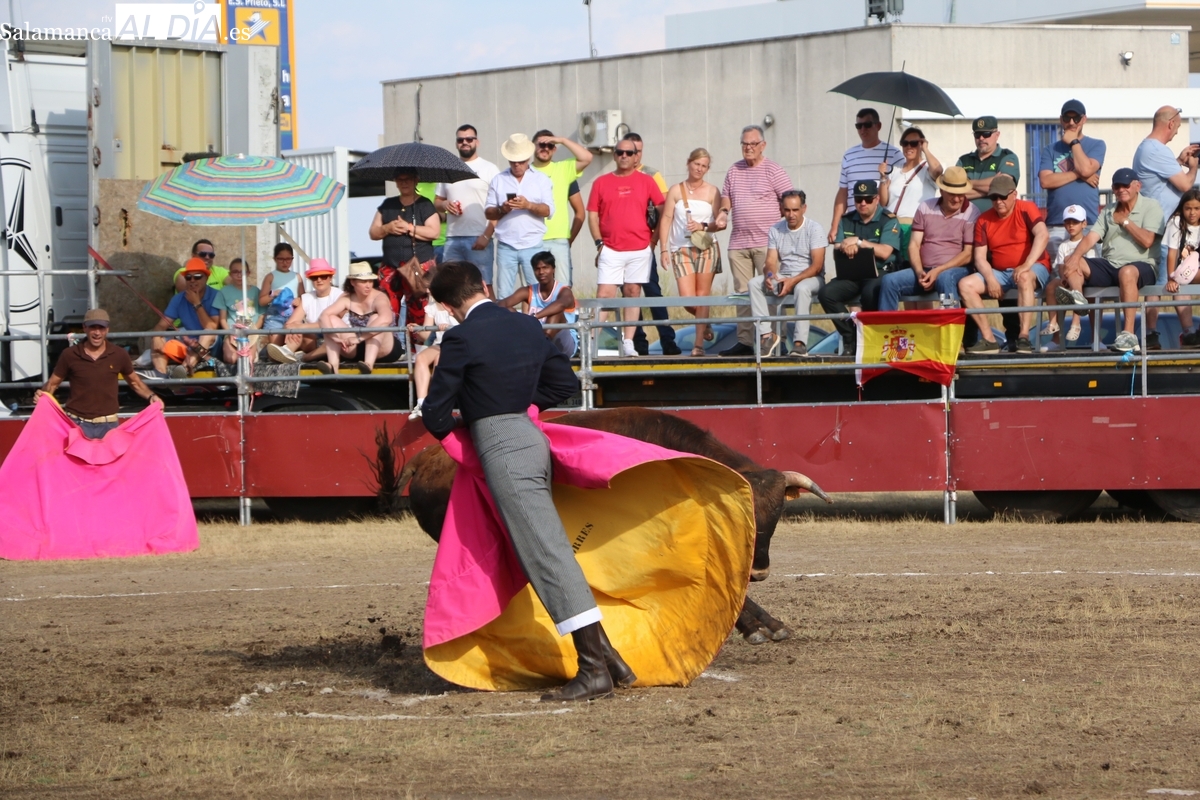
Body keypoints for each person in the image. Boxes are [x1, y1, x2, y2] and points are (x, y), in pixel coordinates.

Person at [421, 260, 631, 703]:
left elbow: (435, 413)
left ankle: (594, 670)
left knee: (545, 553)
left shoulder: (460, 337)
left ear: (447, 305)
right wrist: (511, 402)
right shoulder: (525, 324)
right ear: (483, 286)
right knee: (542, 548)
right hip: (531, 438)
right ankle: (611, 659)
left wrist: (480, 415)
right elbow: (562, 384)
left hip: (501, 448)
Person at [1058, 168, 1165, 354]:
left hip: (1143, 265)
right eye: (1117, 186)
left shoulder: (1151, 206)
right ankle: (1078, 299)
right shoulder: (1108, 210)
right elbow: (1091, 237)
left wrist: (1125, 221)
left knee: (1127, 272)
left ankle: (1128, 335)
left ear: (1137, 186)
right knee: (1071, 259)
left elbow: (1148, 241)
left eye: (1125, 185)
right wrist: (1074, 259)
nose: (1121, 189)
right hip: (1110, 264)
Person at [717, 125, 794, 356]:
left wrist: (781, 226)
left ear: (763, 145)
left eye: (752, 144)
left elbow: (790, 199)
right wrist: (723, 212)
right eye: (744, 144)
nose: (748, 148)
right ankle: (745, 341)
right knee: (742, 294)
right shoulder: (734, 170)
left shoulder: (773, 170)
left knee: (771, 291)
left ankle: (777, 340)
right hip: (738, 243)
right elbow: (726, 196)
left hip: (766, 244)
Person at [587, 135, 665, 357]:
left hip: (639, 248)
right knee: (605, 294)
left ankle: (629, 341)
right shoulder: (601, 182)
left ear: (636, 156)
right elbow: (592, 214)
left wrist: (654, 241)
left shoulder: (647, 180)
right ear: (614, 155)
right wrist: (599, 243)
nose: (624, 156)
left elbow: (663, 210)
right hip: (610, 248)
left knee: (633, 291)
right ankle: (590, 341)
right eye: (620, 152)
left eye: (629, 153)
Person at [958, 174, 1051, 355]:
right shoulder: (984, 220)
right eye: (994, 197)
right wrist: (990, 279)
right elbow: (979, 257)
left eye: (1002, 196)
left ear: (1014, 194)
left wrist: (1026, 264)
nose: (998, 201)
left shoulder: (1026, 208)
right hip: (1001, 272)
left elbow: (1043, 235)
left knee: (1024, 278)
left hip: (1033, 267)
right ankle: (989, 339)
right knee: (965, 285)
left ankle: (1023, 337)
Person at [37, 308, 161, 439]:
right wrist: (42, 396)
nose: (97, 333)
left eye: (101, 328)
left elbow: (135, 382)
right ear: (84, 328)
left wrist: (152, 396)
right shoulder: (69, 354)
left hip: (109, 426)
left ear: (107, 329)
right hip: (77, 424)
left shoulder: (119, 354)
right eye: (93, 327)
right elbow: (53, 384)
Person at [1134, 106, 1200, 349]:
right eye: (1178, 126)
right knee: (1160, 283)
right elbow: (1184, 185)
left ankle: (1187, 331)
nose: (1177, 132)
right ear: (1170, 124)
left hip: (1168, 228)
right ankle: (1152, 332)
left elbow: (1160, 181)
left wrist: (1179, 161)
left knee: (1177, 277)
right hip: (1160, 229)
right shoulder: (1156, 149)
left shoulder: (1149, 148)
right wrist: (1193, 167)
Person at [817, 180, 903, 355]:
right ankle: (851, 336)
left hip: (879, 272)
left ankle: (870, 338)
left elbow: (885, 252)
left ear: (877, 199)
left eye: (868, 199)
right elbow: (837, 247)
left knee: (870, 292)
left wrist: (859, 242)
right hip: (852, 273)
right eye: (858, 199)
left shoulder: (888, 220)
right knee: (826, 293)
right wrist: (845, 246)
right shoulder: (846, 219)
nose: (863, 203)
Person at [878, 166, 979, 311]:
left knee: (945, 278)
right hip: (925, 269)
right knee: (889, 281)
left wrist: (938, 271)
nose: (957, 199)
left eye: (960, 194)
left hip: (956, 270)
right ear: (942, 190)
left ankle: (951, 319)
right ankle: (886, 324)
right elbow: (914, 245)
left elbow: (968, 253)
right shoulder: (925, 207)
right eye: (952, 194)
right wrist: (920, 272)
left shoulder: (972, 212)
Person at [658, 147, 725, 356]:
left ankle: (698, 346)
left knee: (702, 295)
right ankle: (705, 322)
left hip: (706, 247)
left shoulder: (713, 191)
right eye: (697, 164)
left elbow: (719, 223)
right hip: (681, 248)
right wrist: (663, 249)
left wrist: (702, 225)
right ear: (689, 163)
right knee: (688, 299)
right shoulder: (676, 190)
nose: (699, 169)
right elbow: (666, 219)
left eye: (704, 166)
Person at [747, 190, 826, 357]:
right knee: (754, 283)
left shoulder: (815, 228)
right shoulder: (775, 229)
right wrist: (769, 276)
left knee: (802, 288)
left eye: (795, 210)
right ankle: (767, 335)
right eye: (787, 210)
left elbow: (817, 266)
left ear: (804, 208)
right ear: (782, 209)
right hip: (785, 275)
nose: (791, 214)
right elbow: (770, 261)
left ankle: (800, 343)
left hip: (811, 278)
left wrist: (793, 281)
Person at [623, 133, 680, 357]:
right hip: (622, 246)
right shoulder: (617, 177)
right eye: (630, 151)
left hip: (644, 245)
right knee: (630, 294)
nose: (634, 156)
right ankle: (638, 343)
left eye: (637, 151)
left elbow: (664, 211)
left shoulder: (651, 174)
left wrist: (654, 241)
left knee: (653, 291)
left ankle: (667, 340)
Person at [371, 167, 442, 333]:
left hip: (419, 266)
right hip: (390, 266)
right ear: (395, 182)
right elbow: (373, 233)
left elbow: (434, 232)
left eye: (408, 179)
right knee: (386, 308)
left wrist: (409, 228)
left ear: (416, 180)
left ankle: (417, 344)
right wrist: (387, 228)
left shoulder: (425, 204)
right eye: (400, 179)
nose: (404, 183)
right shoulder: (388, 205)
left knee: (419, 311)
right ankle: (391, 344)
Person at [486, 133, 555, 300]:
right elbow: (488, 212)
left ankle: (536, 317)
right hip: (506, 245)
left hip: (533, 243)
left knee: (537, 293)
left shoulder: (541, 179)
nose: (516, 164)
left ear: (528, 158)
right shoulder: (498, 179)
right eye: (513, 160)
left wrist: (528, 205)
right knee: (504, 295)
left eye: (521, 160)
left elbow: (548, 210)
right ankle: (507, 318)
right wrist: (502, 209)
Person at [1037, 100, 1105, 261]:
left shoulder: (1097, 145)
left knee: (1089, 270)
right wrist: (1079, 174)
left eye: (1076, 118)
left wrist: (1074, 142)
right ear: (1061, 120)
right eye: (1067, 118)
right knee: (1058, 271)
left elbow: (1086, 169)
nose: (1072, 122)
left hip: (1087, 224)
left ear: (1084, 119)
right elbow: (1045, 181)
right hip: (1057, 224)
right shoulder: (1050, 149)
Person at [436, 124, 501, 290]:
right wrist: (444, 204)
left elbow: (499, 208)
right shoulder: (448, 169)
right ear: (456, 143)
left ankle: (489, 309)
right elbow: (437, 202)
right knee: (451, 287)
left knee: (483, 286)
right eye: (460, 140)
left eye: (469, 139)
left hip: (478, 236)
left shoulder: (489, 169)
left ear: (477, 142)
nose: (465, 142)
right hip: (452, 238)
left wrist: (486, 235)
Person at [827, 108, 904, 242]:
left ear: (878, 126)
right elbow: (843, 192)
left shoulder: (894, 154)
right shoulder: (849, 155)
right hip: (853, 223)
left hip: (881, 224)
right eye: (859, 126)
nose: (863, 129)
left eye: (867, 125)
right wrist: (835, 226)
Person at [532, 129, 594, 285]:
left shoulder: (563, 169)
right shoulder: (525, 172)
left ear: (554, 149)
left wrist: (562, 140)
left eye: (550, 145)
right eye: (541, 144)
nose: (545, 148)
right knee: (535, 290)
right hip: (532, 239)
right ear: (533, 146)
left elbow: (587, 157)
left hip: (559, 240)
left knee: (563, 288)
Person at [319, 262, 401, 373]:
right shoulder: (347, 297)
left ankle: (368, 365)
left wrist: (359, 338)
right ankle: (333, 366)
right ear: (352, 282)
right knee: (331, 319)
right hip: (358, 346)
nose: (368, 285)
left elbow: (386, 318)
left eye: (370, 281)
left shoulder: (379, 297)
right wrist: (334, 337)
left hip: (384, 347)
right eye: (363, 281)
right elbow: (324, 315)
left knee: (376, 318)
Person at [497, 250, 578, 358]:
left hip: (564, 343)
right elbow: (502, 304)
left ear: (553, 269)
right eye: (537, 269)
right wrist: (521, 320)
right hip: (535, 337)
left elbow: (561, 305)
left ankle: (541, 349)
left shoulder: (564, 291)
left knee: (556, 313)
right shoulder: (528, 291)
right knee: (508, 310)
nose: (541, 272)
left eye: (545, 268)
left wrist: (535, 317)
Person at [150, 257, 222, 378]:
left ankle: (183, 370)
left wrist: (196, 303)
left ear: (206, 277)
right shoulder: (178, 298)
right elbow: (161, 325)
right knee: (155, 338)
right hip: (188, 342)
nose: (192, 280)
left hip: (210, 346)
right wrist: (156, 336)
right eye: (188, 277)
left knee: (208, 334)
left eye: (197, 276)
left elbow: (211, 327)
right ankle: (161, 376)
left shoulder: (216, 295)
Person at [881, 125, 942, 260]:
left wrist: (925, 149)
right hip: (892, 226)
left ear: (921, 144)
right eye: (905, 143)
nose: (909, 147)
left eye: (914, 143)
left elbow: (938, 170)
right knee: (891, 264)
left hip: (914, 226)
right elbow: (883, 201)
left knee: (911, 264)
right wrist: (883, 177)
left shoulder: (926, 168)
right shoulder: (895, 169)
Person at [270, 258, 342, 371]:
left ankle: (301, 356)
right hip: (315, 339)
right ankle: (288, 350)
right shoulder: (307, 297)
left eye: (323, 276)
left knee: (299, 328)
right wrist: (293, 328)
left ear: (330, 277)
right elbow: (290, 323)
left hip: (336, 336)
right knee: (294, 328)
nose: (319, 280)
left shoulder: (339, 295)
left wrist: (299, 327)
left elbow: (333, 323)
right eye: (314, 277)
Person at [1039, 205, 1089, 349]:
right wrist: (1064, 278)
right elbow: (1061, 267)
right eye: (1068, 222)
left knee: (1075, 277)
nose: (1071, 225)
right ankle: (1053, 322)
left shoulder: (1088, 243)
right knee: (1051, 287)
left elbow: (1091, 265)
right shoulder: (1063, 246)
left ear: (1084, 224)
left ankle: (1076, 322)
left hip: (1084, 279)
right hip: (1067, 279)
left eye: (1075, 222)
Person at [407, 296, 458, 421]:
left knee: (439, 359)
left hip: (455, 342)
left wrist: (449, 327)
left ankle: (435, 402)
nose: (428, 291)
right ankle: (421, 403)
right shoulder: (431, 307)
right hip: (439, 344)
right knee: (421, 358)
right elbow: (425, 335)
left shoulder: (457, 302)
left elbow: (465, 324)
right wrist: (417, 329)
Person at [958, 115, 1021, 213]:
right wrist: (993, 190)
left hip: (995, 220)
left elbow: (1003, 187)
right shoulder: (964, 160)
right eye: (977, 134)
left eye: (986, 134)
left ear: (997, 135)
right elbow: (955, 192)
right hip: (966, 220)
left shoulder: (1007, 157)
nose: (981, 138)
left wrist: (968, 183)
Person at [1163, 188, 1200, 346]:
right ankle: (1188, 332)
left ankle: (1191, 334)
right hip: (1182, 271)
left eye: (1197, 208)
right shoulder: (1176, 222)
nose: (1192, 213)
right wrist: (1171, 277)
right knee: (1178, 290)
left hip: (1197, 269)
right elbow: (1172, 253)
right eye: (1188, 208)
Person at [257, 243, 304, 350]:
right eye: (281, 259)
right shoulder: (270, 277)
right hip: (275, 316)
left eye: (288, 259)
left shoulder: (297, 277)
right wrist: (273, 294)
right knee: (275, 345)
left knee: (295, 340)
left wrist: (299, 300)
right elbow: (262, 301)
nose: (285, 262)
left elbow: (304, 298)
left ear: (292, 259)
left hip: (293, 315)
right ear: (275, 259)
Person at [217, 257, 262, 366]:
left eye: (242, 272)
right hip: (232, 332)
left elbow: (261, 315)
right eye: (235, 272)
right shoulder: (223, 292)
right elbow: (222, 319)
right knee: (231, 358)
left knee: (250, 359)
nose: (239, 275)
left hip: (251, 333)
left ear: (248, 273)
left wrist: (253, 331)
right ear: (230, 274)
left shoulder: (256, 291)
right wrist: (230, 333)